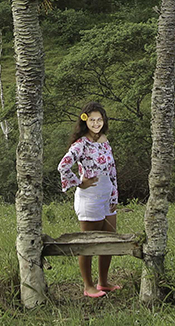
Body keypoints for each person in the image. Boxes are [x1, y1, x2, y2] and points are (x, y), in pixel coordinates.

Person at [57, 102, 120, 297]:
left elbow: (112, 169)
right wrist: (78, 182)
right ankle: (88, 286)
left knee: (108, 241)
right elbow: (63, 166)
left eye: (99, 119)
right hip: (90, 197)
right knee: (89, 243)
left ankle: (104, 282)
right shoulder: (81, 144)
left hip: (107, 195)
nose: (96, 123)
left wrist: (115, 195)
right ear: (85, 121)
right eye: (92, 119)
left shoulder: (104, 140)